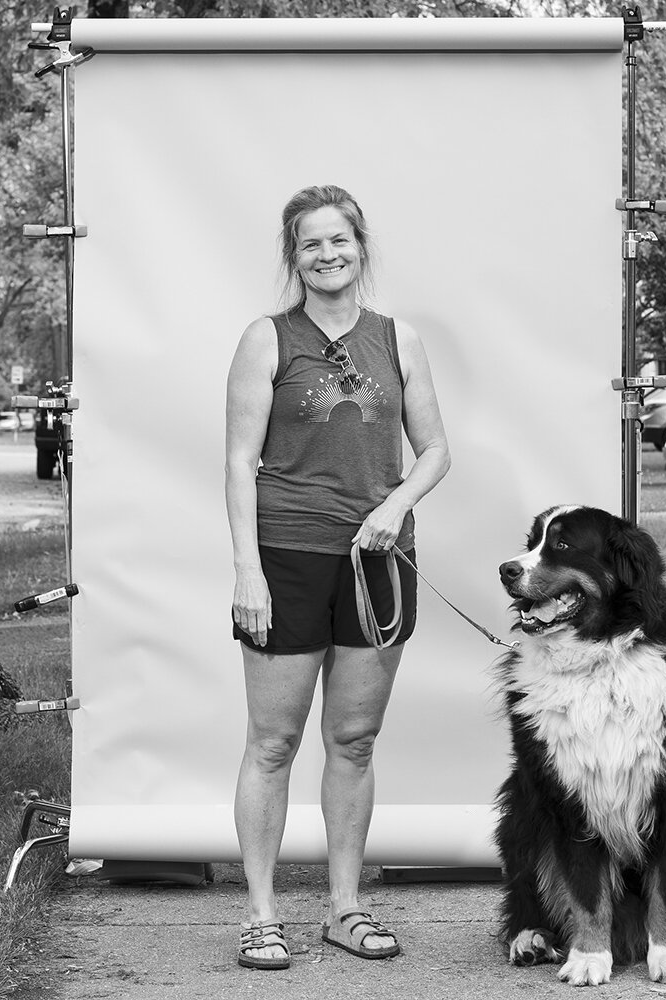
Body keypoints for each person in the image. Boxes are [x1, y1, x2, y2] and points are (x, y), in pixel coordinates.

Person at [224, 185, 451, 970]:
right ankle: (259, 915)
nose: (328, 254)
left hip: (379, 562)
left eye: (340, 240)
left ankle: (343, 908)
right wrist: (247, 571)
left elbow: (435, 451)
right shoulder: (267, 340)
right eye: (311, 244)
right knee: (274, 741)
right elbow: (237, 463)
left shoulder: (399, 339)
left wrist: (396, 506)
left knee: (353, 740)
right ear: (295, 256)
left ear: (361, 246)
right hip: (286, 561)